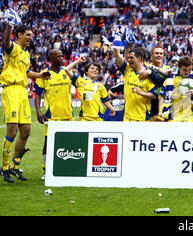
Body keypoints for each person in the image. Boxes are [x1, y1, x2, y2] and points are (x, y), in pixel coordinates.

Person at [0, 20, 49, 183]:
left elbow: (26, 72)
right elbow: (5, 42)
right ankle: (5, 167)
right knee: (12, 130)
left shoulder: (26, 54)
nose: (31, 37)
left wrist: (40, 75)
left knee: (26, 131)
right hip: (11, 89)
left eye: (32, 35)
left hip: (22, 91)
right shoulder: (13, 47)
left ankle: (15, 164)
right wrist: (9, 26)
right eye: (28, 35)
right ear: (19, 35)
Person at [34, 49, 74, 179]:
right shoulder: (44, 74)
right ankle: (46, 169)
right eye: (58, 56)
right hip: (52, 116)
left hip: (68, 114)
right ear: (51, 57)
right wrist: (39, 111)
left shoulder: (66, 72)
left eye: (62, 56)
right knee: (48, 142)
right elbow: (38, 94)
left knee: (69, 142)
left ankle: (66, 167)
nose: (61, 58)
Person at [112, 37, 159, 121]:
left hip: (141, 117)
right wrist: (116, 42)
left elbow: (154, 95)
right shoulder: (127, 70)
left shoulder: (148, 74)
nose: (128, 59)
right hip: (127, 117)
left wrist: (140, 92)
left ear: (139, 59)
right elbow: (117, 56)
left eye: (131, 58)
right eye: (128, 58)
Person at [157, 56, 193, 122]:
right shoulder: (170, 80)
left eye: (190, 69)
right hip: (173, 116)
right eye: (185, 70)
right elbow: (162, 97)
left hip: (190, 117)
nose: (188, 72)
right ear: (179, 68)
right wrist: (160, 112)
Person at [64, 56, 116, 121]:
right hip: (84, 118)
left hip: (98, 118)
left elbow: (105, 100)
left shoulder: (100, 85)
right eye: (92, 68)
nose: (95, 70)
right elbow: (66, 69)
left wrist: (112, 109)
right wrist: (78, 61)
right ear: (86, 72)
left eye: (97, 69)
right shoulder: (80, 81)